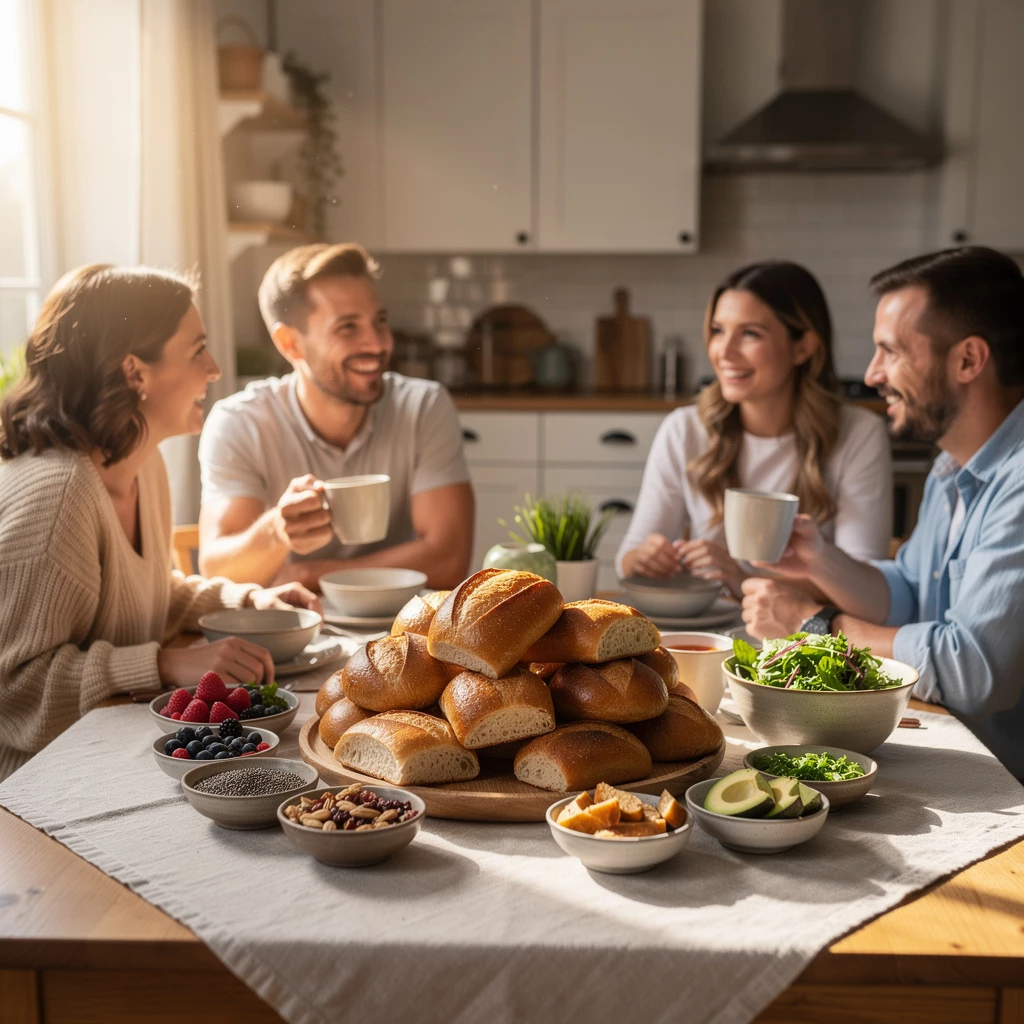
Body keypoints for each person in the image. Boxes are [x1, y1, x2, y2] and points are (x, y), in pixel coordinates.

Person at [0, 265, 319, 783]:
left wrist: (248, 604)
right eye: (197, 350)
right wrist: (165, 665)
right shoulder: (57, 496)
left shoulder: (141, 463)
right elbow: (13, 690)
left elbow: (139, 597)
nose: (214, 369)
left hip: (108, 752)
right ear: (134, 372)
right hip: (35, 793)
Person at [741, 247, 1024, 780]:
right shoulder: (951, 466)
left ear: (967, 360)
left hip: (1005, 789)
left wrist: (816, 626)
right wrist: (821, 563)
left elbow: (972, 670)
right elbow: (913, 593)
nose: (872, 375)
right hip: (952, 755)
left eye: (890, 352)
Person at [197, 243, 474, 592]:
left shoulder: (423, 407)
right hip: (291, 628)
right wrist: (276, 531)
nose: (377, 344)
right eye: (348, 328)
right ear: (290, 344)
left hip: (400, 630)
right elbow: (218, 572)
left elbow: (449, 561)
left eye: (380, 322)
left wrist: (308, 575)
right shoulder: (240, 423)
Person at [617, 261, 892, 595]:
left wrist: (741, 579)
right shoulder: (684, 429)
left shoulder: (859, 434)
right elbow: (627, 558)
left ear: (803, 346)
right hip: (709, 635)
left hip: (804, 637)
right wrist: (646, 559)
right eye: (718, 330)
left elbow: (867, 586)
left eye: (750, 333)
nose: (724, 352)